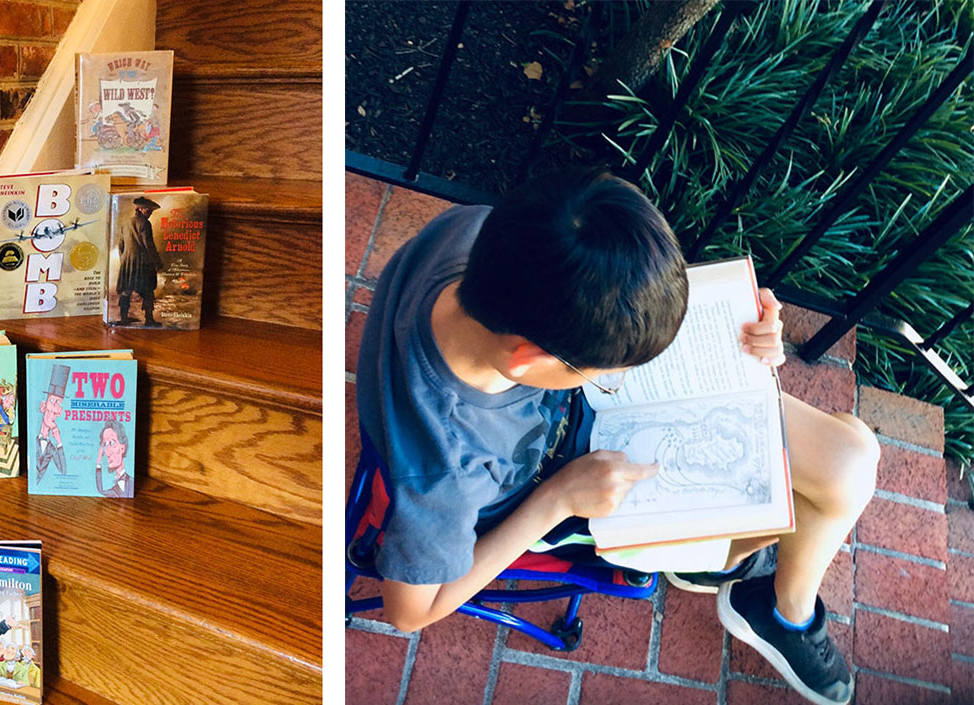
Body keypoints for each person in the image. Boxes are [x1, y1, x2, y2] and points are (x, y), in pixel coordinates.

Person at [356, 169, 879, 705]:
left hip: (576, 428)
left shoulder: (481, 236)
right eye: (606, 368)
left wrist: (730, 322)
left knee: (853, 454)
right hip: (560, 492)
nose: (614, 374)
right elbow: (409, 613)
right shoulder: (447, 468)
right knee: (777, 504)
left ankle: (764, 596)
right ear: (532, 359)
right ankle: (733, 574)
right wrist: (555, 501)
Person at [114, 196, 165, 326]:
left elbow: (120, 245)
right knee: (147, 291)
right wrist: (157, 261)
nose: (150, 213)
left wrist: (124, 260)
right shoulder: (145, 223)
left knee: (126, 291)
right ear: (140, 209)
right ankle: (149, 319)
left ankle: (124, 318)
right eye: (148, 210)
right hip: (143, 263)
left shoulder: (126, 223)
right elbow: (149, 245)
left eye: (151, 211)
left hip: (127, 262)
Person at [34, 364, 69, 482]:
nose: (54, 407)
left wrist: (59, 442)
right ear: (43, 406)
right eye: (52, 400)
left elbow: (63, 471)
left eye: (58, 403)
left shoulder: (51, 448)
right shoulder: (31, 438)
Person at [94, 419, 133, 498]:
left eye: (112, 443)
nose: (107, 452)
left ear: (122, 448)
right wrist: (98, 462)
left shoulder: (133, 482)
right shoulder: (111, 491)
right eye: (105, 445)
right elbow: (101, 491)